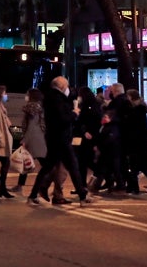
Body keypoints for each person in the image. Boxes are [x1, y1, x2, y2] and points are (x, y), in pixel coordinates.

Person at [28, 76, 91, 207]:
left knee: (47, 167)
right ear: (62, 86)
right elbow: (63, 119)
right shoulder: (57, 99)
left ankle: (33, 194)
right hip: (61, 138)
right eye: (66, 86)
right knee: (73, 167)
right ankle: (82, 196)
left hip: (53, 137)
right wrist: (75, 113)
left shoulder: (50, 97)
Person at [17, 87, 47, 191]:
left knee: (28, 163)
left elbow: (31, 126)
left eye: (27, 94)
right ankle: (42, 185)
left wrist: (25, 139)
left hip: (34, 138)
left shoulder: (31, 108)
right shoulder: (40, 107)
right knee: (39, 163)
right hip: (40, 138)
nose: (26, 96)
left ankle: (22, 185)